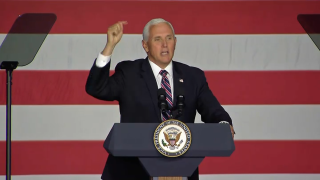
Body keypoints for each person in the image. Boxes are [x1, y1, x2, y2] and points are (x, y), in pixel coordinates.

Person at [85, 18, 235, 180]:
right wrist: (109, 47)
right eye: (158, 39)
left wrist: (224, 125)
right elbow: (97, 88)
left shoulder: (193, 76)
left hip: (181, 170)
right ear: (145, 46)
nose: (165, 44)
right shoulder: (130, 72)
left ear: (175, 42)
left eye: (169, 38)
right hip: (132, 172)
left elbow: (213, 110)